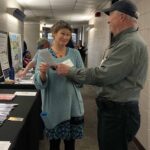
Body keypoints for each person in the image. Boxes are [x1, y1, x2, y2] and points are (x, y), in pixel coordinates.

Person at [55, 1, 148, 150]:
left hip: (118, 113)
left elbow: (103, 75)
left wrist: (69, 71)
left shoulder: (129, 44)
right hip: (114, 110)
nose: (108, 20)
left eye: (111, 15)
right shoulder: (123, 41)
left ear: (122, 18)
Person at [34, 20, 84, 150]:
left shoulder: (75, 53)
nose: (66, 37)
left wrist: (70, 72)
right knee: (54, 144)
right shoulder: (43, 54)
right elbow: (39, 84)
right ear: (54, 34)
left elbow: (82, 77)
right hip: (53, 106)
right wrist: (43, 73)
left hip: (72, 104)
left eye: (68, 34)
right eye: (63, 33)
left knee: (70, 144)